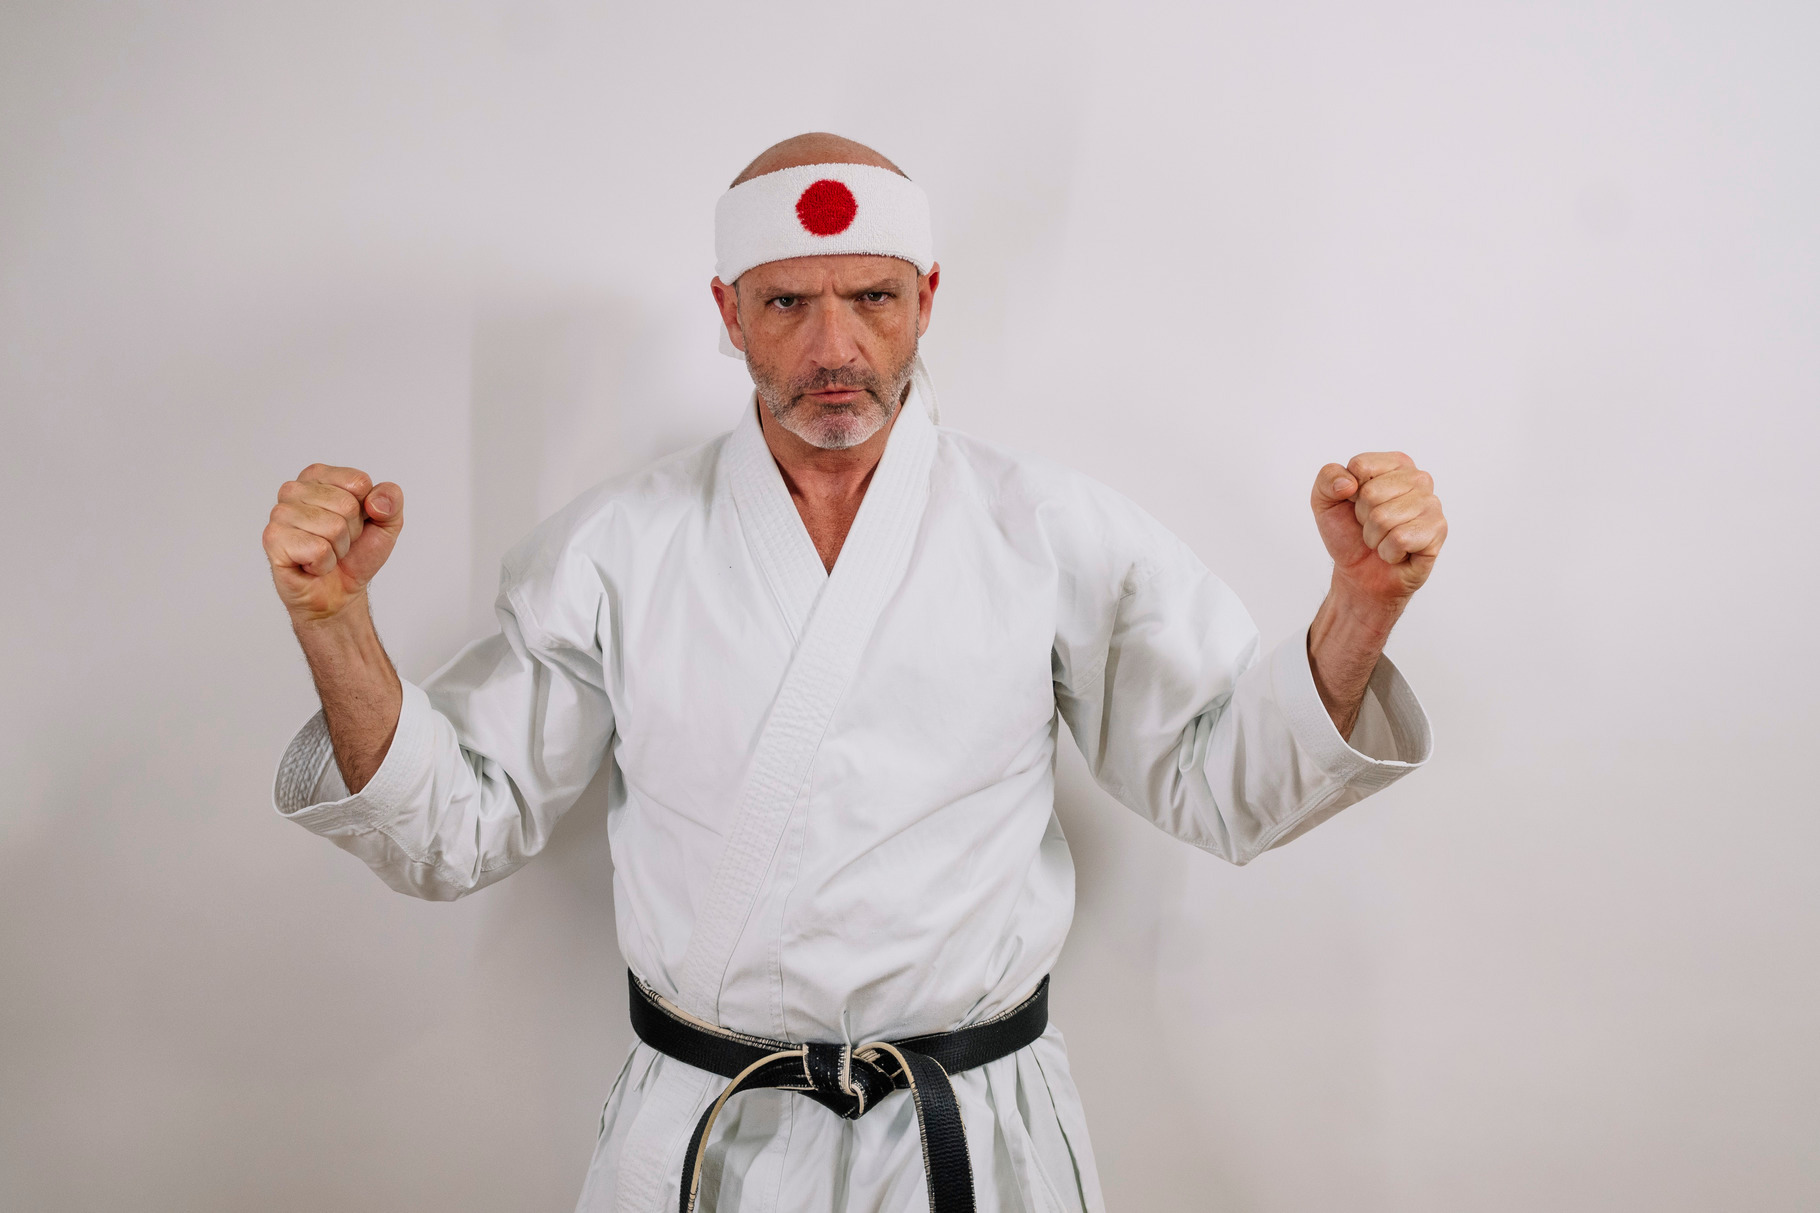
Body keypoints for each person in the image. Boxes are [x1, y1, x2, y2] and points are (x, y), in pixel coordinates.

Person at [264, 132, 1444, 1213]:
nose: (833, 349)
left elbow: (1227, 784)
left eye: (872, 298)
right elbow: (450, 831)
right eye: (786, 302)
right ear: (728, 313)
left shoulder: (1049, 531)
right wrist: (335, 623)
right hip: (707, 1144)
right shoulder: (611, 551)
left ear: (924, 300)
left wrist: (1359, 606)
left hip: (972, 1140)